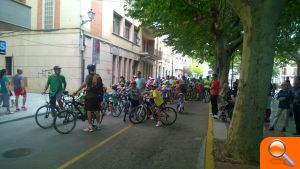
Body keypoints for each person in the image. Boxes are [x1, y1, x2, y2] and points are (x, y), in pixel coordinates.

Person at [73, 64, 103, 132]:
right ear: (94, 69)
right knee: (97, 111)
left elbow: (84, 85)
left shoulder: (88, 76)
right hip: (97, 96)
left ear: (89, 70)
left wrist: (76, 91)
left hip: (89, 96)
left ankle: (90, 127)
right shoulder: (98, 76)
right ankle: (98, 126)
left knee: (89, 111)